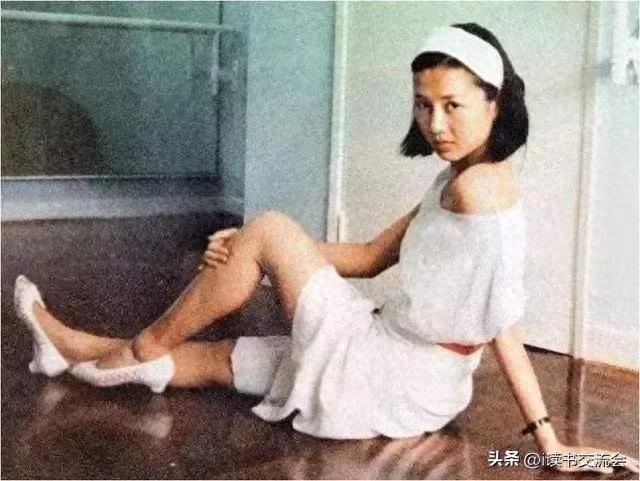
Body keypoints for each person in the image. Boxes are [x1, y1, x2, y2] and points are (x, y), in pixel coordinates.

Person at [15, 23, 638, 475]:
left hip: (393, 375)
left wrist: (549, 441)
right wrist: (257, 253)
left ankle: (142, 346)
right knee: (214, 359)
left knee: (268, 227)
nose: (435, 124)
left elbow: (503, 324)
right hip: (402, 370)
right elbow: (369, 256)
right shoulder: (458, 179)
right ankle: (66, 347)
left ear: (495, 102)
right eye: (423, 105)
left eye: (453, 105)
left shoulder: (478, 192)